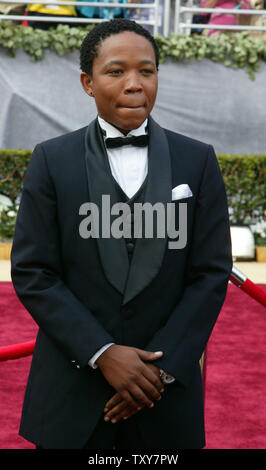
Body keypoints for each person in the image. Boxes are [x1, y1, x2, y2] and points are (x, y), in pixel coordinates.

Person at [11, 18, 232, 450]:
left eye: (146, 71)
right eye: (116, 72)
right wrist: (103, 353)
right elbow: (34, 271)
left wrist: (156, 372)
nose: (134, 84)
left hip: (164, 396)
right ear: (87, 83)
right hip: (72, 395)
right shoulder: (51, 161)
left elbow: (210, 272)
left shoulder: (198, 160)